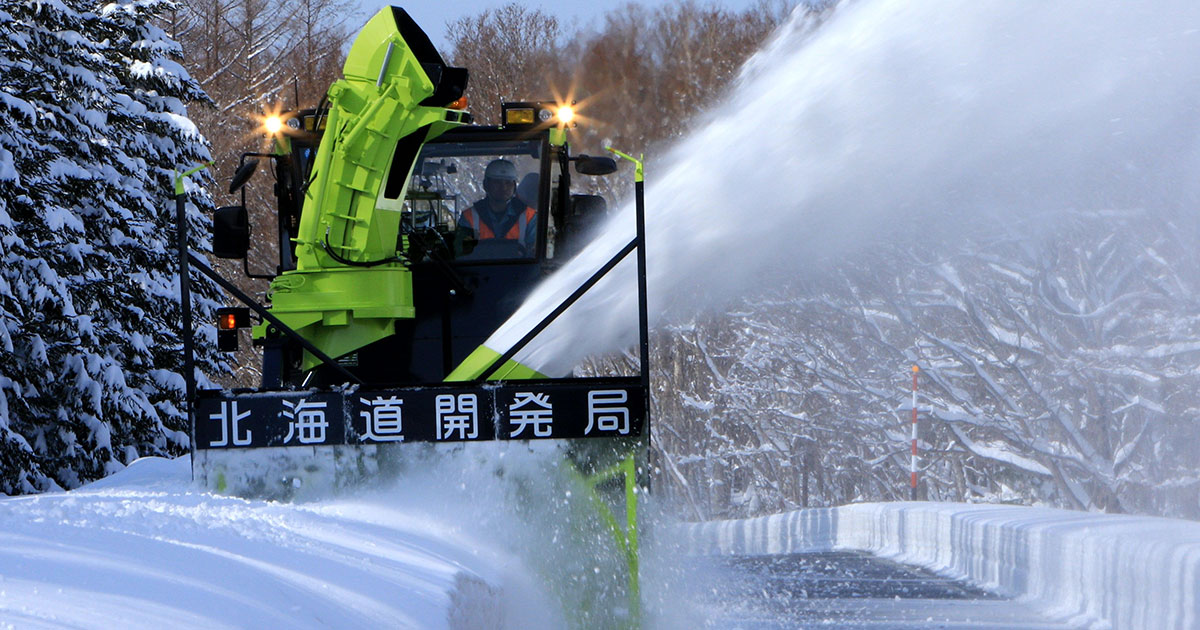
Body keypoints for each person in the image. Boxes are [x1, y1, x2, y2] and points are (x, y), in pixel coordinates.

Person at [455, 159, 537, 258]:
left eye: (508, 183)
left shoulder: (529, 217)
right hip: (478, 272)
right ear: (486, 185)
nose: (503, 188)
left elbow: (535, 253)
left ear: (514, 186)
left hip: (520, 272)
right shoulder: (470, 217)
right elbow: (461, 254)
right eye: (497, 182)